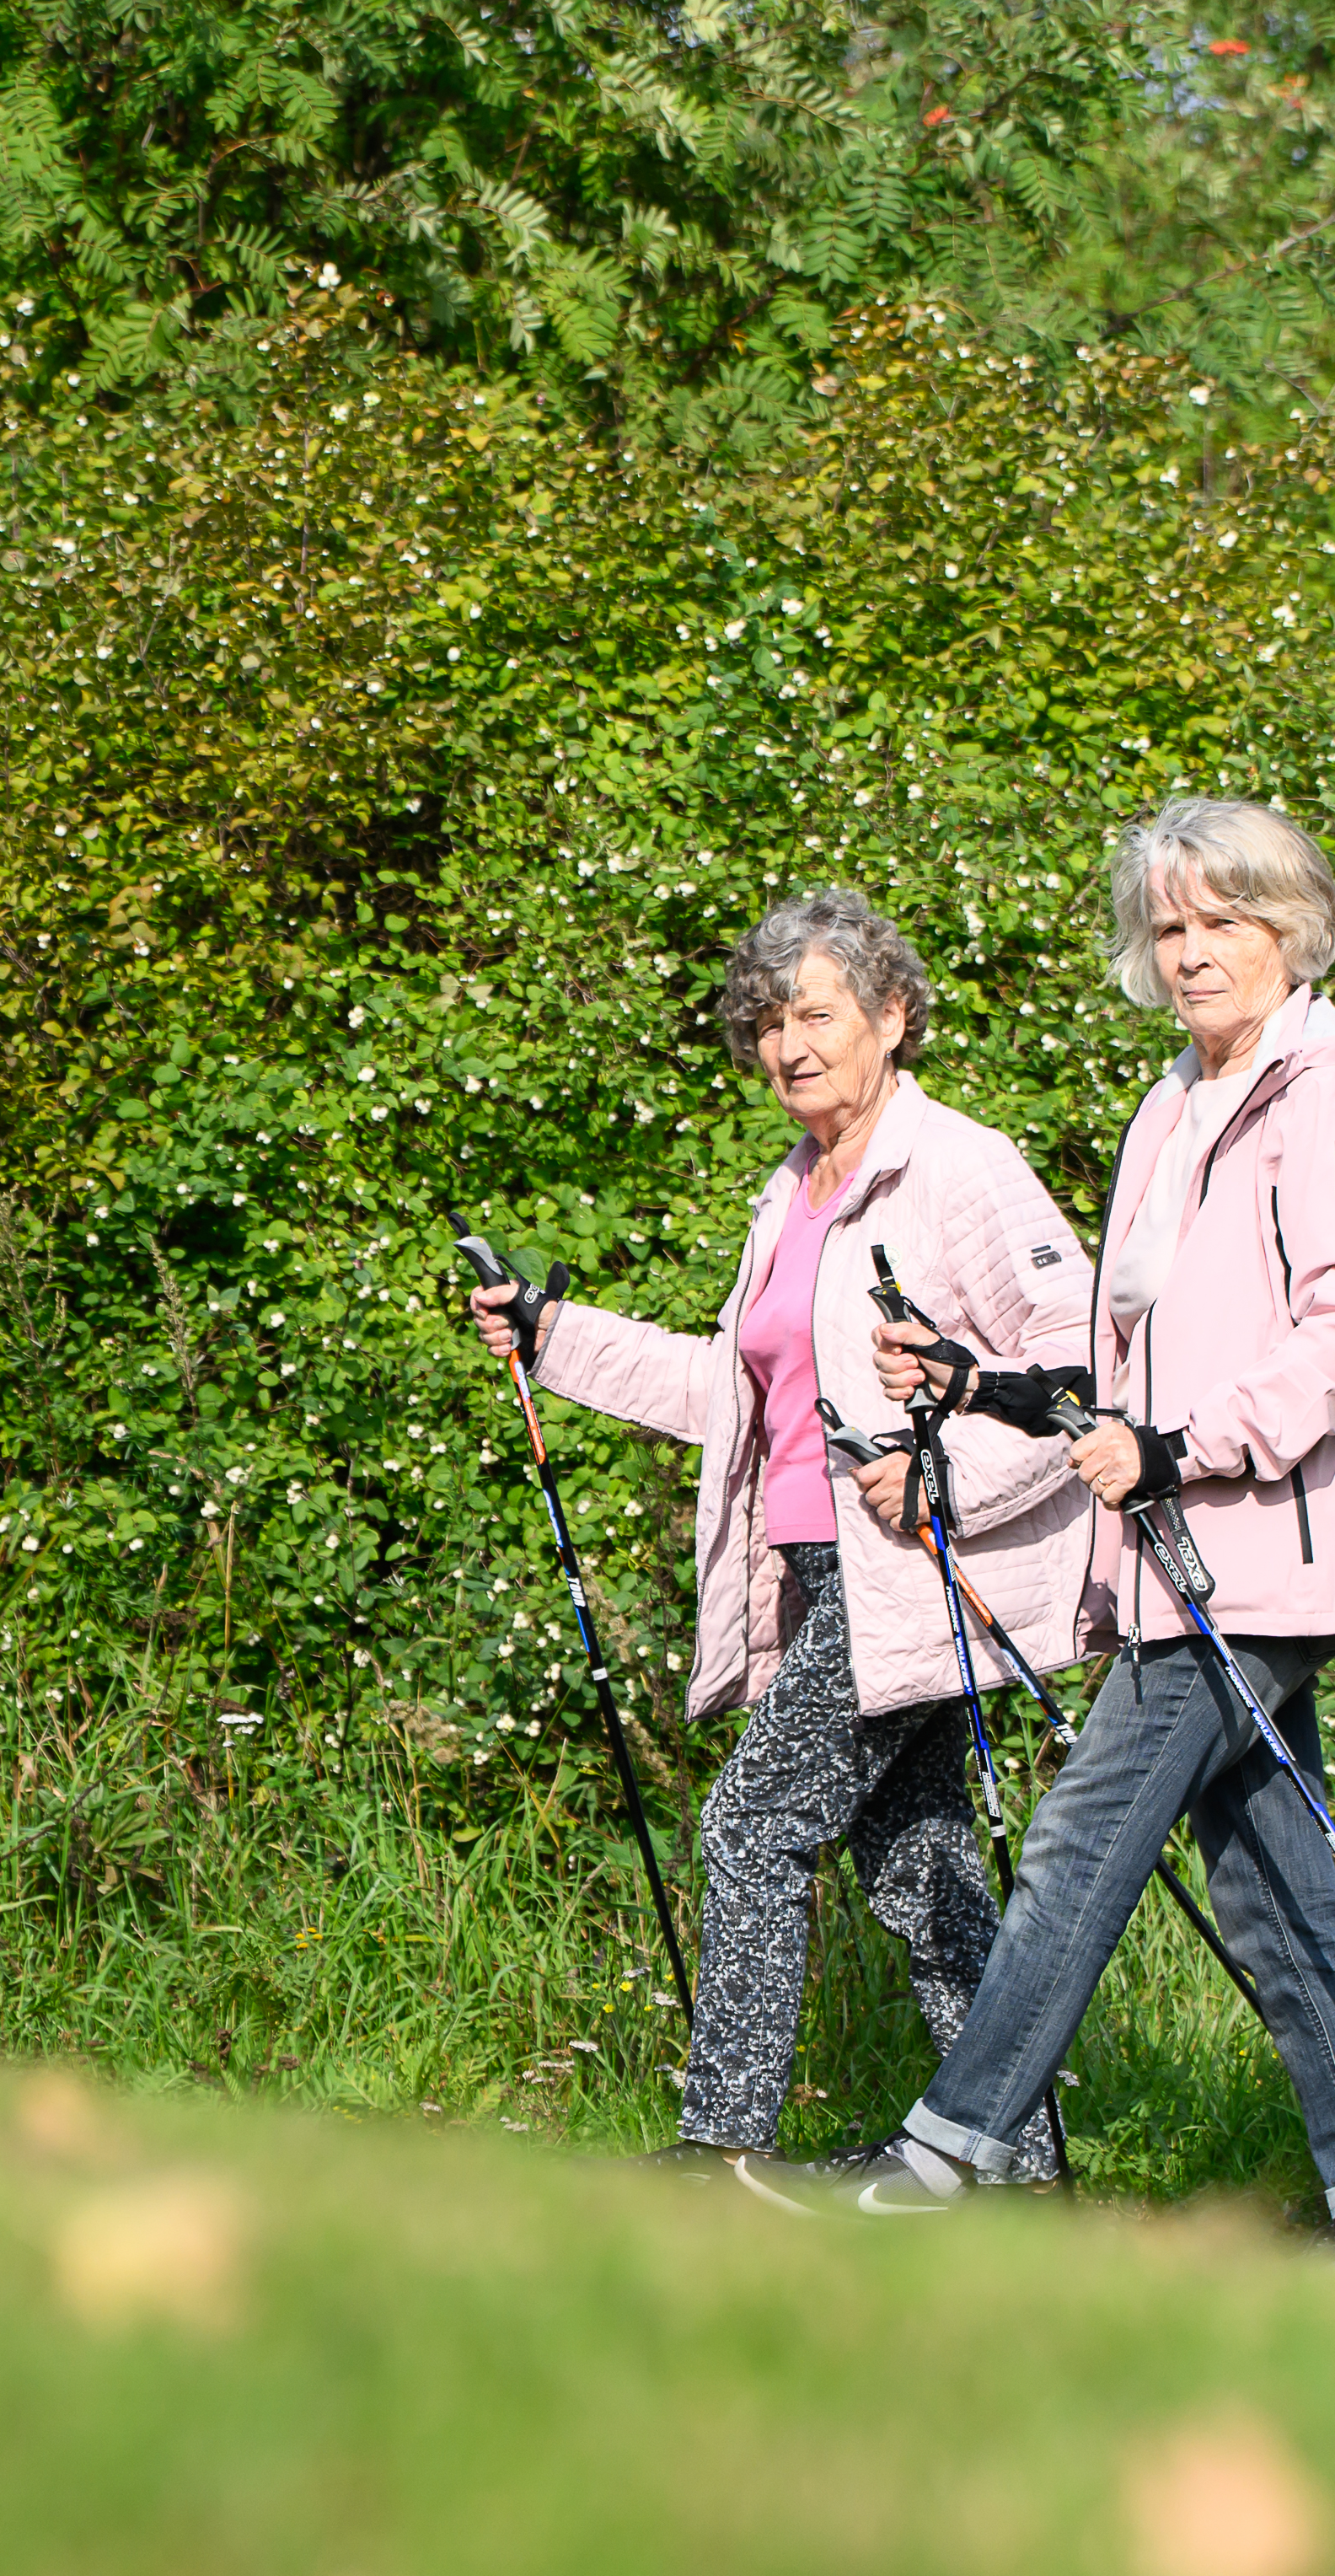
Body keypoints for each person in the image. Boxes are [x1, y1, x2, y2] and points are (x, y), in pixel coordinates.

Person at [844, 797, 1335, 2270]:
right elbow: (1126, 1375)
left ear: (1288, 928)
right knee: (1266, 1881)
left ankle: (949, 2153)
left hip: (1265, 1551)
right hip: (1179, 1549)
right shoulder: (1174, 1107)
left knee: (1082, 1834)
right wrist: (979, 1383)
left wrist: (1186, 1447)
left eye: (1220, 921)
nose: (1189, 953)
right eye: (1165, 927)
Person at [469, 889, 1106, 2198]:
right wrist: (551, 1333)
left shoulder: (960, 1168)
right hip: (822, 1576)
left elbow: (1080, 1363)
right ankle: (1018, 2164)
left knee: (753, 1822)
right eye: (765, 1020)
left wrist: (945, 1484)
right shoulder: (792, 1193)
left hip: (919, 1579)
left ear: (893, 1016)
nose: (786, 1043)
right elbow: (734, 1395)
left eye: (814, 1011)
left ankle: (723, 2151)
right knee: (920, 1866)